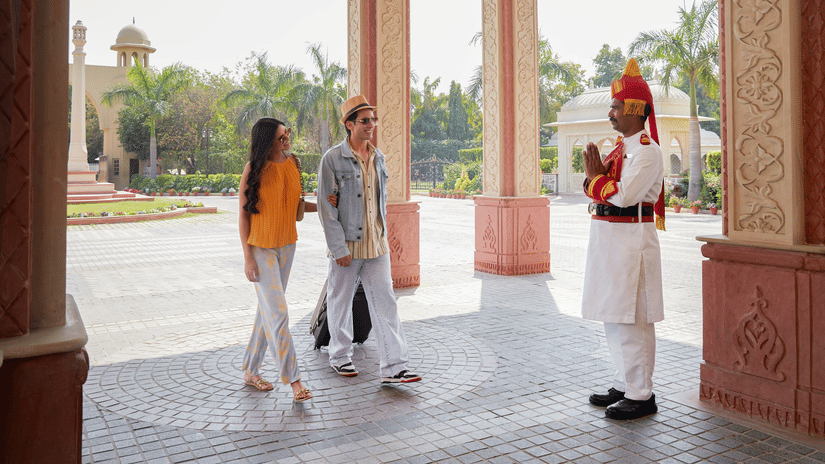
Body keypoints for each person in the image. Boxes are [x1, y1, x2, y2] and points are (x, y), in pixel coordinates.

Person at [581, 59, 666, 420]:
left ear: (635, 110)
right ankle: (625, 382)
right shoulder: (621, 149)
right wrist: (596, 182)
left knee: (633, 320)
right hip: (610, 241)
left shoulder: (647, 151)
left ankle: (641, 394)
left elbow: (626, 195)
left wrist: (595, 181)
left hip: (631, 242)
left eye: (616, 106)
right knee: (613, 317)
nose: (611, 112)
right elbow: (597, 188)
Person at [316, 95, 422, 384]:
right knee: (340, 301)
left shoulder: (379, 157)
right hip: (347, 246)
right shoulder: (332, 159)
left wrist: (384, 238)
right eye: (365, 120)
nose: (371, 125)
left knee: (386, 303)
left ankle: (394, 367)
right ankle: (339, 356)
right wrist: (338, 248)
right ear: (349, 125)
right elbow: (326, 209)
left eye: (373, 119)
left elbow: (379, 202)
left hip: (377, 245)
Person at [238, 117, 319, 402]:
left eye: (287, 134)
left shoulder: (294, 164)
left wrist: (323, 204)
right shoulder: (254, 169)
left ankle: (250, 371)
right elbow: (244, 215)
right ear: (267, 142)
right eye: (280, 138)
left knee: (269, 312)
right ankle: (295, 381)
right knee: (279, 314)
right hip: (261, 249)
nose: (287, 140)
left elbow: (295, 206)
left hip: (287, 246)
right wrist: (248, 258)